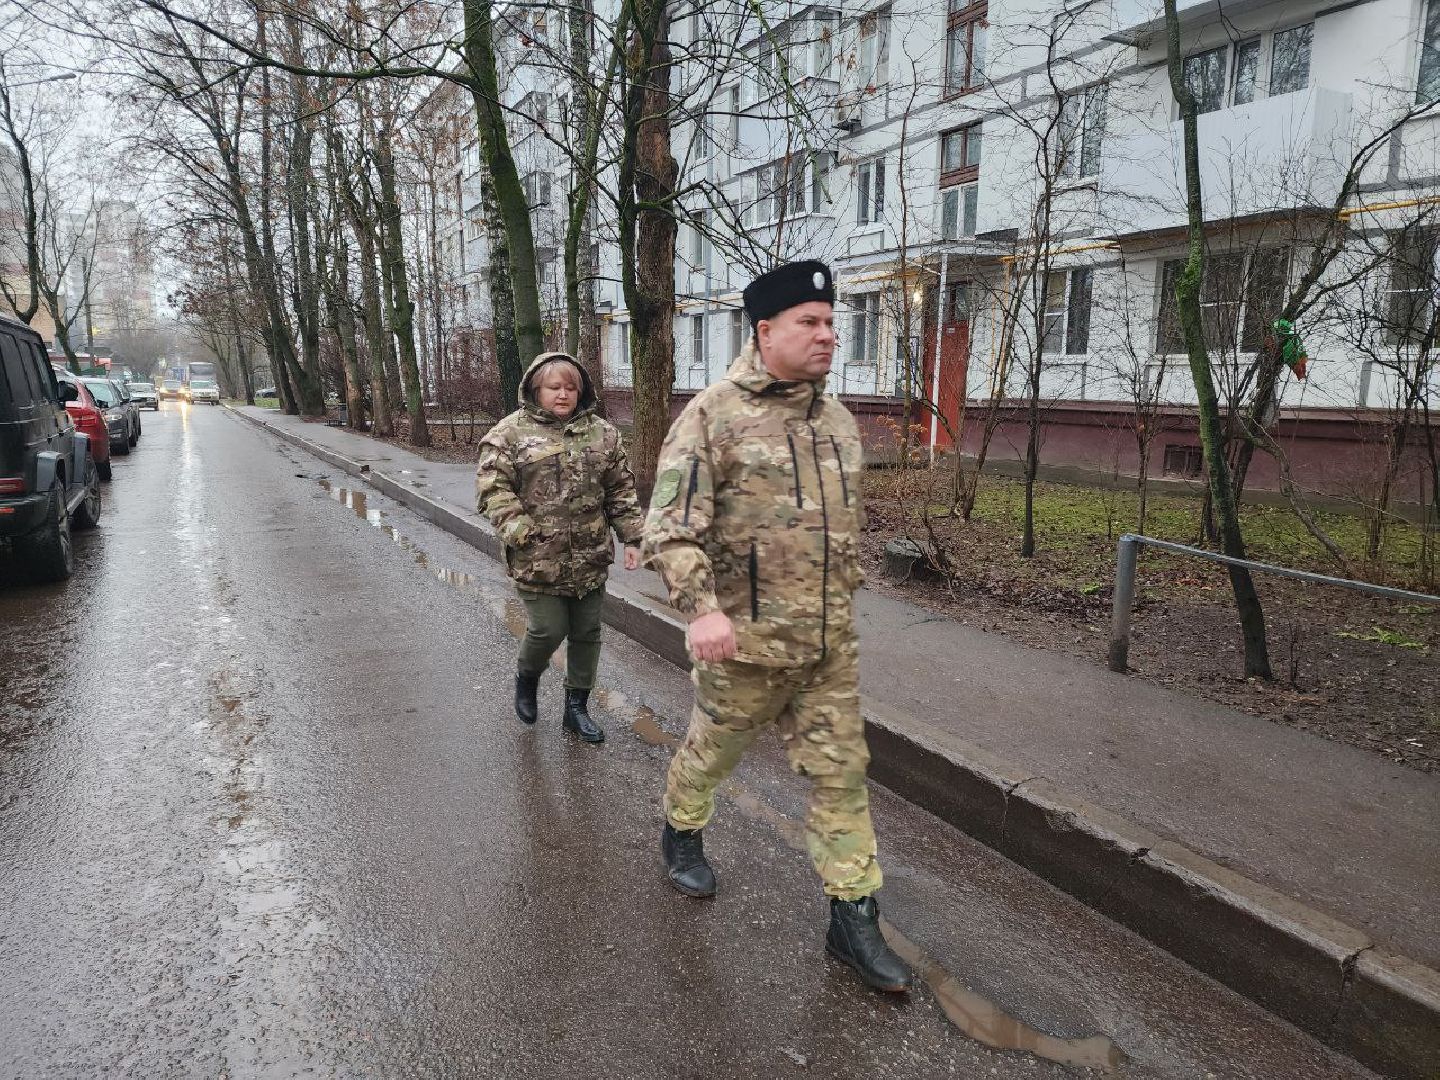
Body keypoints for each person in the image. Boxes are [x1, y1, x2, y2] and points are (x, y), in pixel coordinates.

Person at [642, 261, 913, 992]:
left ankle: (853, 917)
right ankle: (682, 829)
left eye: (831, 322)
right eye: (809, 322)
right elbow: (669, 530)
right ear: (765, 331)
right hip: (744, 648)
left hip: (826, 649)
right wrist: (702, 609)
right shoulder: (712, 417)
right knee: (711, 755)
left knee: (841, 774)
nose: (828, 335)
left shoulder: (838, 421)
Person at [476, 352, 643, 743]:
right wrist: (521, 531)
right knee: (548, 629)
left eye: (571, 387)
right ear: (536, 389)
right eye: (554, 387)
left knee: (586, 632)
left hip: (590, 555)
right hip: (537, 559)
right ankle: (527, 676)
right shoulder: (509, 434)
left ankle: (576, 708)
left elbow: (620, 489)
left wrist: (632, 537)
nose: (563, 394)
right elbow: (493, 489)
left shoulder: (603, 434)